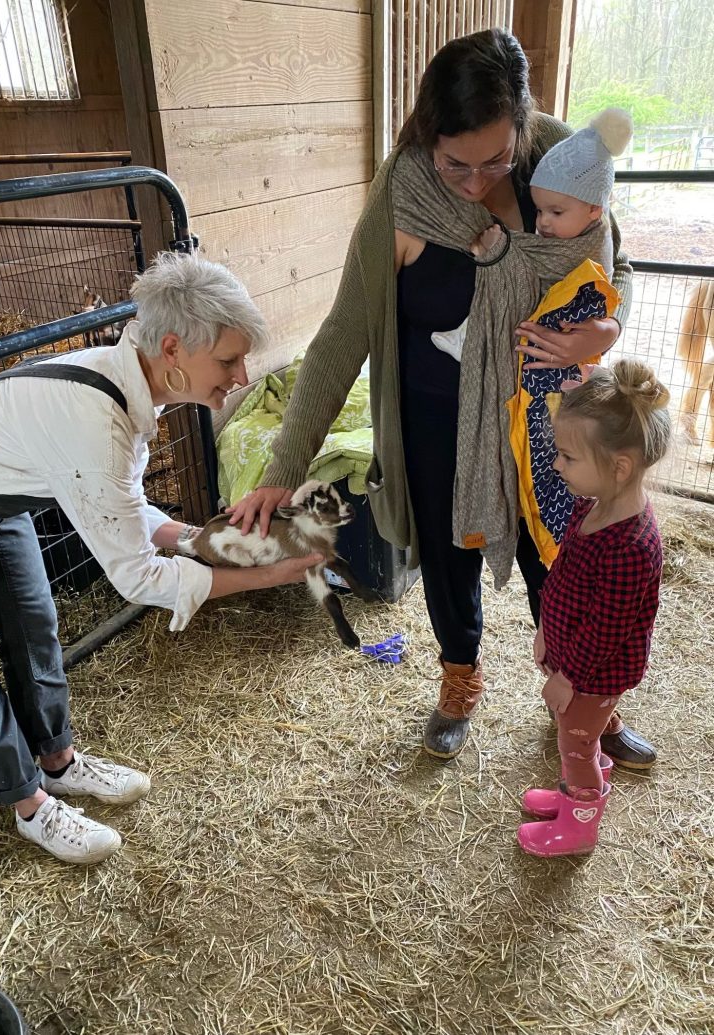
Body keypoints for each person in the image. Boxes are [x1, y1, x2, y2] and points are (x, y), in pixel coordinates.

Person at [227, 28, 657, 770]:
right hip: (435, 415)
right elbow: (341, 334)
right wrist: (281, 463)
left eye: (496, 159)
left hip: (546, 417)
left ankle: (589, 697)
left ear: (524, 127)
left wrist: (601, 336)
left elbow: (614, 265)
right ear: (428, 134)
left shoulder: (563, 159)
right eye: (456, 161)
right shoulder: (403, 191)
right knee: (448, 551)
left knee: (560, 559)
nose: (475, 179)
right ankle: (460, 678)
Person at [0, 252, 321, 866]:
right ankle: (29, 804)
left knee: (33, 621)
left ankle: (58, 762)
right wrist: (267, 575)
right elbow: (138, 576)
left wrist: (200, 539)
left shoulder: (132, 391)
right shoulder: (97, 418)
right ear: (173, 348)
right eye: (227, 359)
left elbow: (125, 506)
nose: (242, 375)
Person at [518, 359, 671, 857]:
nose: (557, 465)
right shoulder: (593, 503)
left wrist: (568, 677)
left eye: (567, 456)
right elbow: (562, 574)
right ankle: (573, 793)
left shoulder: (632, 545)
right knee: (579, 737)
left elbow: (606, 632)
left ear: (619, 466)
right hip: (575, 662)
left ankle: (580, 825)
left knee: (575, 744)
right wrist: (546, 629)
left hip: (594, 674)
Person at [470, 108, 631, 568]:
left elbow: (612, 268)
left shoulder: (589, 238)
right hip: (536, 373)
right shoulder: (572, 214)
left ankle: (559, 552)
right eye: (538, 209)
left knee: (552, 472)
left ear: (596, 210)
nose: (541, 222)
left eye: (554, 212)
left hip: (556, 379)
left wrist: (610, 327)